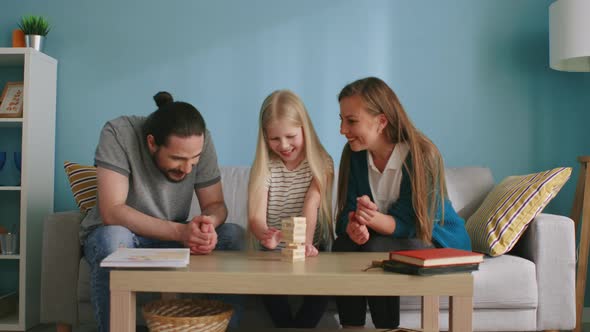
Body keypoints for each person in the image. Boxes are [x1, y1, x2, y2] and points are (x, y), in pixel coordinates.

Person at [80, 92, 244, 332]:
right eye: (177, 159)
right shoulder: (118, 133)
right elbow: (112, 211)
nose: (187, 168)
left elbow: (216, 205)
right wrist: (180, 232)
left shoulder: (202, 139)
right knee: (112, 238)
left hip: (172, 238)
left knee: (233, 236)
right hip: (126, 235)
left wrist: (207, 224)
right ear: (151, 143)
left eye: (194, 160)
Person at [333, 77, 471, 329]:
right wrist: (354, 226)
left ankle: (388, 327)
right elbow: (345, 214)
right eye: (341, 120)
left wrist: (370, 220)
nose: (342, 129)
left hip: (437, 239)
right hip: (387, 238)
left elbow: (413, 224)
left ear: (381, 121)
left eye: (351, 121)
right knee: (343, 245)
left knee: (377, 246)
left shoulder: (422, 155)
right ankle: (351, 327)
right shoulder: (354, 155)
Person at [247, 90, 334, 327]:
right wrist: (266, 235)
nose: (283, 145)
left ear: (305, 128)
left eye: (291, 136)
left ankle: (301, 327)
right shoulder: (265, 166)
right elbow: (255, 216)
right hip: (274, 249)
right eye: (274, 139)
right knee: (266, 282)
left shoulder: (322, 162)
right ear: (265, 137)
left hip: (312, 245)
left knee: (324, 282)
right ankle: (286, 327)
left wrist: (304, 243)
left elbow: (311, 203)